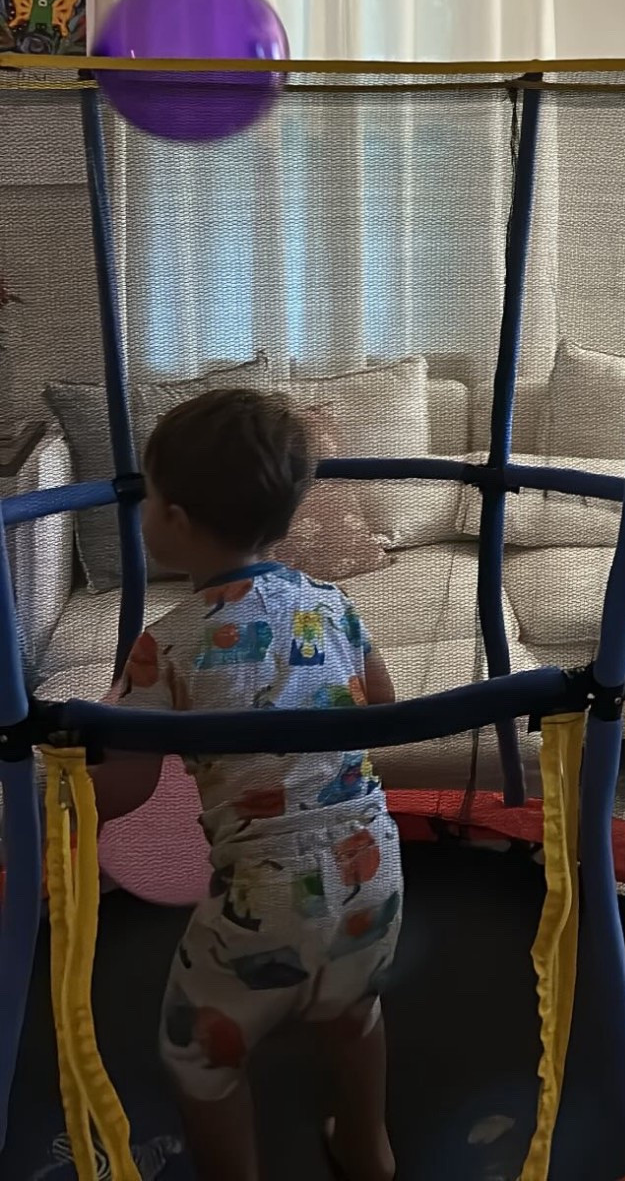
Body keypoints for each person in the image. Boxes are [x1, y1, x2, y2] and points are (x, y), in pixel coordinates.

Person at [96, 388, 401, 1181]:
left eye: (151, 496)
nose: (145, 509)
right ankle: (369, 1151)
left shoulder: (164, 645)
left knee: (199, 1057)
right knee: (353, 1008)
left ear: (179, 522)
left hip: (264, 897)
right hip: (375, 869)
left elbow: (121, 793)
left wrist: (78, 756)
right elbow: (384, 714)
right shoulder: (335, 607)